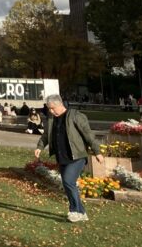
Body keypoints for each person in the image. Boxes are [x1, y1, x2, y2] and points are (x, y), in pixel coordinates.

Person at [34, 94, 103, 223]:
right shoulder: (51, 119)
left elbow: (88, 134)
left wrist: (97, 152)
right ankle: (82, 213)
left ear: (60, 105)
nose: (50, 111)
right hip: (62, 157)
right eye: (49, 108)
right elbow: (46, 136)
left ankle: (75, 211)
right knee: (68, 185)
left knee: (68, 181)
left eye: (52, 108)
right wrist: (40, 146)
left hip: (77, 156)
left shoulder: (76, 116)